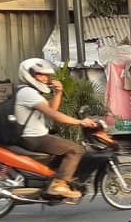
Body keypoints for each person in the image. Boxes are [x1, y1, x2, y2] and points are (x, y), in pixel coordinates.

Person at [14, 57, 99, 200]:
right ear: (29, 74)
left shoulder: (29, 92)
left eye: (47, 75)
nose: (46, 78)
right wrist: (80, 122)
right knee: (76, 149)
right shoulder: (28, 93)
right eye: (41, 75)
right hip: (35, 137)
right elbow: (54, 114)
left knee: (62, 148)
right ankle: (59, 185)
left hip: (34, 135)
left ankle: (52, 180)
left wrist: (58, 93)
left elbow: (50, 108)